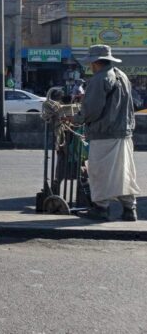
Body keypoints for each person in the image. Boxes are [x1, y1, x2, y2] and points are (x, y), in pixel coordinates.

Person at [68, 45, 140, 221]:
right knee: (124, 172)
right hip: (124, 133)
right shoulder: (122, 76)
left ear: (95, 63)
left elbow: (92, 109)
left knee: (100, 171)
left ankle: (101, 208)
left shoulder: (100, 79)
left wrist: (76, 119)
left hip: (104, 133)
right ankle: (130, 209)